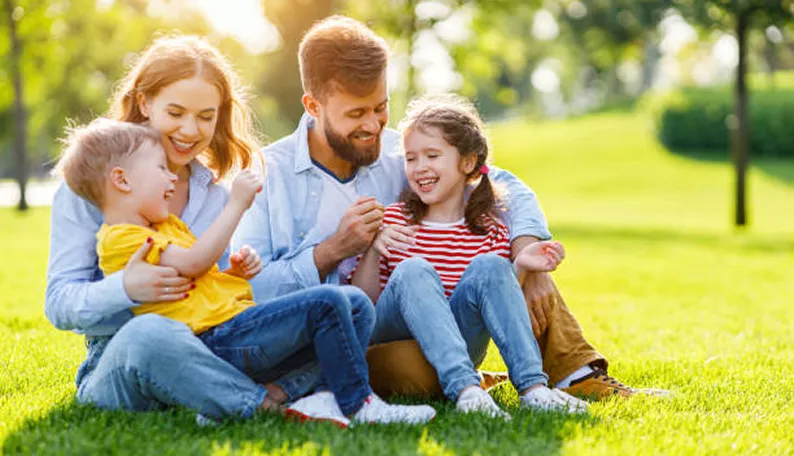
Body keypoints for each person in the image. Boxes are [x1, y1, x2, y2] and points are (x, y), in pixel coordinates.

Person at [233, 16, 636, 400]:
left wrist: (523, 247)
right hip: (338, 340)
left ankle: (576, 374)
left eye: (380, 107)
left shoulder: (402, 151)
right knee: (414, 371)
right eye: (356, 114)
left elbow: (500, 181)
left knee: (524, 261)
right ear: (314, 106)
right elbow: (246, 292)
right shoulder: (267, 176)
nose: (373, 126)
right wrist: (331, 251)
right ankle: (456, 377)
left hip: (421, 318)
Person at [43, 35, 428, 426]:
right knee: (150, 333)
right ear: (145, 103)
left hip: (214, 348)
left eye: (205, 116)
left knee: (347, 302)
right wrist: (126, 288)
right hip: (127, 359)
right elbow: (59, 303)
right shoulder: (94, 188)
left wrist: (236, 273)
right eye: (175, 112)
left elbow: (216, 290)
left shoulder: (214, 194)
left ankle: (273, 394)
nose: (190, 130)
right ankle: (270, 408)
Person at [351, 96, 590, 419]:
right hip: (397, 337)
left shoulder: (490, 230)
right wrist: (373, 248)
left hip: (461, 339)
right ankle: (466, 391)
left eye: (432, 156)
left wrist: (520, 266)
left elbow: (497, 306)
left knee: (492, 266)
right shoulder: (393, 220)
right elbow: (366, 306)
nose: (420, 167)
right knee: (413, 270)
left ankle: (533, 388)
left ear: (467, 163)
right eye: (411, 158)